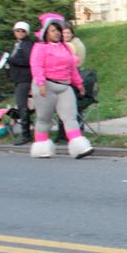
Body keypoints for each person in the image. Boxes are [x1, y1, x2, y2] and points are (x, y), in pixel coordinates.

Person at [29, 19, 93, 159]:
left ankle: (79, 147)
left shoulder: (65, 48)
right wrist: (40, 84)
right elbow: (36, 66)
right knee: (44, 118)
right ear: (46, 33)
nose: (57, 33)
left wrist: (79, 84)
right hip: (46, 85)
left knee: (70, 117)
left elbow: (72, 68)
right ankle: (41, 147)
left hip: (64, 86)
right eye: (53, 30)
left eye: (58, 30)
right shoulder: (40, 47)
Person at [8, 21, 35, 145]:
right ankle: (27, 132)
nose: (19, 33)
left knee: (22, 105)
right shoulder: (18, 44)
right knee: (22, 105)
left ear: (26, 32)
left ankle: (26, 134)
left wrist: (13, 60)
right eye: (17, 30)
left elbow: (30, 61)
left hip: (25, 78)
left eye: (22, 31)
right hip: (18, 78)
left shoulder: (27, 44)